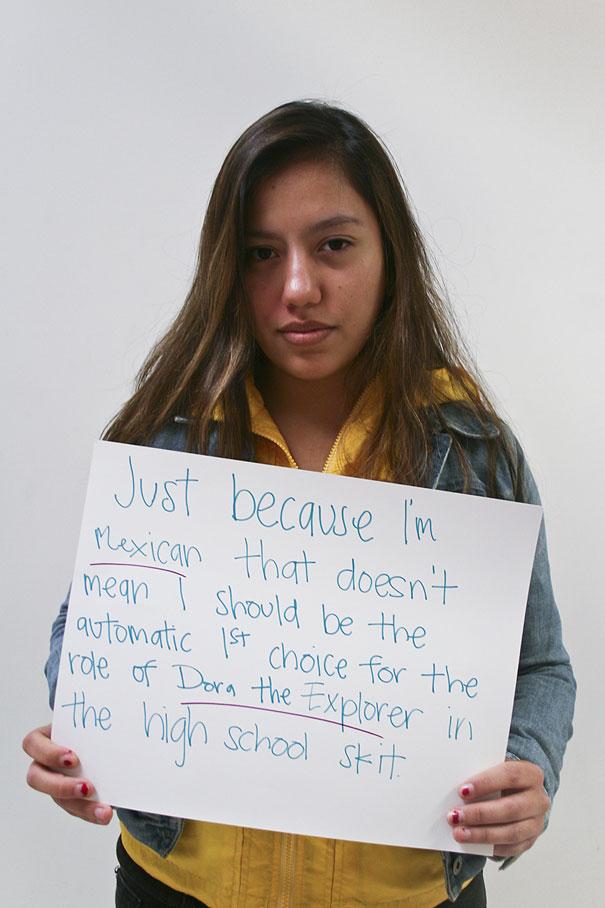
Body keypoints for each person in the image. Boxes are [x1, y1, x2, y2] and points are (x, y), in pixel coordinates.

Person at [23, 100, 575, 907]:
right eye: (259, 253)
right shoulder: (166, 438)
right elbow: (86, 626)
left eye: (333, 246)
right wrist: (84, 734)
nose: (297, 287)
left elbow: (539, 666)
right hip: (178, 888)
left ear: (390, 253)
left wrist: (528, 767)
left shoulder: (472, 451)